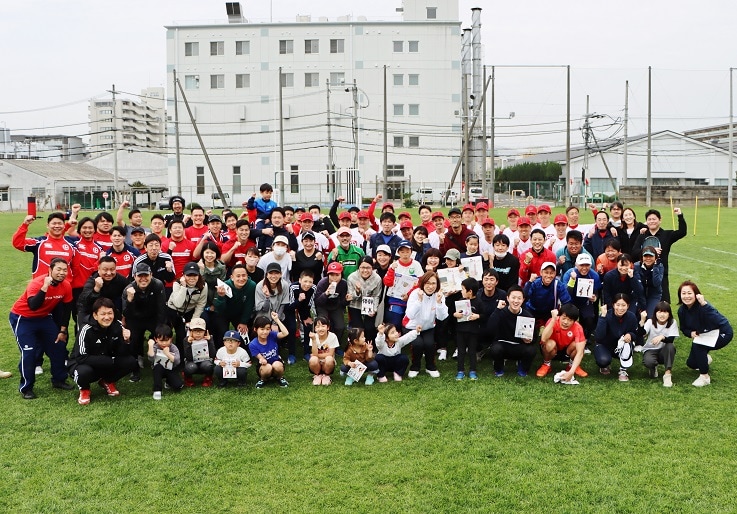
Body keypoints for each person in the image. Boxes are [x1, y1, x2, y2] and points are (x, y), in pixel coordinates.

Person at [9, 258, 74, 399]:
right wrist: (44, 287)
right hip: (23, 318)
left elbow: (67, 309)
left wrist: (63, 330)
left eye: (65, 270)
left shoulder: (66, 285)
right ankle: (26, 388)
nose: (62, 273)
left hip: (44, 318)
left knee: (58, 346)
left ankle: (59, 379)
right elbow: (33, 305)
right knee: (29, 352)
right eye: (58, 269)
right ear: (50, 270)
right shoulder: (37, 283)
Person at [69, 298, 139, 405]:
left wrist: (127, 341)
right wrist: (109, 360)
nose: (107, 317)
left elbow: (123, 352)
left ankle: (107, 381)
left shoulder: (118, 325)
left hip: (107, 361)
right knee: (84, 372)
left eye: (110, 313)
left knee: (131, 362)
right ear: (95, 315)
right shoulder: (86, 329)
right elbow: (81, 357)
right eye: (103, 314)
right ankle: (84, 389)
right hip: (84, 364)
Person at [677, 281, 733, 387]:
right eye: (683, 293)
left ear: (696, 294)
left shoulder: (704, 306)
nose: (686, 296)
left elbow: (720, 321)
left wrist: (704, 305)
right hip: (703, 335)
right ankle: (705, 359)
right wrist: (690, 333)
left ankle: (704, 376)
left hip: (722, 332)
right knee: (692, 364)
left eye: (689, 293)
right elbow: (684, 328)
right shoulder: (682, 311)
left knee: (699, 346)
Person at [122, 262, 168, 382]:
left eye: (146, 275)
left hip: (152, 317)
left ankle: (159, 362)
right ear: (134, 276)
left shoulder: (157, 285)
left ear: (151, 275)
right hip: (135, 319)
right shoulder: (128, 289)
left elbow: (161, 309)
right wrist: (130, 300)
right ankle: (135, 369)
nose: (143, 279)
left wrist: (160, 328)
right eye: (140, 276)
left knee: (161, 335)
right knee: (133, 340)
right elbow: (126, 313)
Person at [633, 207, 686, 303]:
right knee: (645, 301)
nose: (651, 221)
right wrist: (649, 251)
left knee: (663, 303)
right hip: (644, 273)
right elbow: (634, 252)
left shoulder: (666, 235)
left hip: (661, 273)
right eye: (649, 219)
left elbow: (682, 232)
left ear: (660, 220)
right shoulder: (642, 235)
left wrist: (680, 215)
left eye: (654, 219)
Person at [404, 271, 449, 378]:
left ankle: (430, 367)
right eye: (428, 283)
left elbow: (442, 317)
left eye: (433, 283)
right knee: (418, 344)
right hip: (412, 326)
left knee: (429, 344)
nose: (430, 286)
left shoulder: (439, 295)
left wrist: (439, 303)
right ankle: (415, 367)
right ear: (423, 283)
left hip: (428, 327)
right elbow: (409, 314)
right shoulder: (415, 293)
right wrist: (419, 301)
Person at [487, 285, 537, 377]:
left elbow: (534, 337)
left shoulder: (527, 316)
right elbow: (490, 328)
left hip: (519, 346)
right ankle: (499, 368)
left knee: (531, 350)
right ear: (507, 298)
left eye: (519, 298)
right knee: (495, 349)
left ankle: (523, 367)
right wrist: (497, 310)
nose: (516, 301)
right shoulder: (501, 312)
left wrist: (530, 340)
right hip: (503, 345)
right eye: (513, 298)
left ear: (523, 300)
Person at [536, 304, 588, 382]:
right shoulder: (552, 321)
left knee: (577, 346)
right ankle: (546, 364)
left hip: (567, 350)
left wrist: (571, 372)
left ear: (574, 321)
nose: (565, 322)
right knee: (550, 343)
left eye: (570, 320)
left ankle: (571, 365)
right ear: (559, 316)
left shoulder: (578, 327)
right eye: (564, 318)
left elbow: (580, 352)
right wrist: (553, 320)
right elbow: (543, 339)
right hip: (553, 349)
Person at [594, 294, 639, 382]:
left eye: (623, 305)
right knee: (603, 360)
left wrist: (630, 335)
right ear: (613, 305)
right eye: (618, 305)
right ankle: (605, 365)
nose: (620, 308)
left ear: (628, 306)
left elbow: (636, 333)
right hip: (606, 345)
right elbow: (599, 337)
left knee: (628, 346)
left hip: (622, 345)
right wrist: (603, 317)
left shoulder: (631, 317)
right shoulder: (606, 315)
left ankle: (623, 370)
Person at [166, 262, 208, 354]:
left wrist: (193, 321)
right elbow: (178, 304)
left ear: (199, 275)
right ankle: (178, 356)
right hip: (174, 310)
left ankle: (192, 354)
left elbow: (201, 304)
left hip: (190, 311)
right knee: (179, 334)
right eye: (189, 275)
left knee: (189, 332)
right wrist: (184, 287)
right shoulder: (177, 284)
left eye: (195, 275)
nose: (192, 278)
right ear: (184, 275)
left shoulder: (203, 286)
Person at [212, 263, 256, 348]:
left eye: (244, 276)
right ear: (232, 277)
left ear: (247, 276)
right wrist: (221, 297)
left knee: (243, 332)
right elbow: (219, 309)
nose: (241, 278)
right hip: (224, 313)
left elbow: (249, 305)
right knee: (222, 331)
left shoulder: (251, 285)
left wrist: (243, 322)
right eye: (238, 276)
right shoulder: (224, 285)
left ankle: (244, 352)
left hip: (239, 313)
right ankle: (220, 352)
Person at [638, 302, 679, 387]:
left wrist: (662, 337)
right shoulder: (650, 321)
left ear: (669, 314)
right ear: (655, 313)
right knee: (649, 362)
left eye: (665, 312)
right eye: (659, 312)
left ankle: (667, 375)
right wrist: (642, 321)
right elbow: (641, 333)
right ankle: (653, 368)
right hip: (650, 349)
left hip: (664, 351)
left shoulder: (672, 322)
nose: (662, 315)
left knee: (670, 346)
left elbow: (671, 340)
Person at [346, 256, 383, 344]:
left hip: (369, 304)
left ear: (372, 268)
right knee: (358, 328)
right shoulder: (352, 277)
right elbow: (351, 296)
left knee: (369, 327)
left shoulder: (377, 279)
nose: (365, 270)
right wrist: (358, 291)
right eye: (362, 267)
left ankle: (370, 346)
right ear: (358, 268)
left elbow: (376, 295)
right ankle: (358, 345)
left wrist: (374, 309)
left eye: (368, 268)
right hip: (355, 304)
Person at [248, 313, 290, 389]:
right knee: (267, 367)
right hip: (264, 366)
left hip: (276, 362)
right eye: (262, 329)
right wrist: (262, 360)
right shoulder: (253, 344)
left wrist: (277, 320)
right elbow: (260, 357)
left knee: (277, 365)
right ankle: (263, 379)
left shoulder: (272, 335)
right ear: (255, 329)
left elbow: (285, 333)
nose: (265, 332)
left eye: (267, 329)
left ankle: (280, 377)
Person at [453, 277, 483, 380]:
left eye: (463, 289)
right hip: (460, 331)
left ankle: (472, 370)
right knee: (461, 351)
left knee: (472, 351)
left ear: (470, 291)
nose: (461, 291)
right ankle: (460, 370)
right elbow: (455, 313)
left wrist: (478, 316)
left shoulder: (479, 302)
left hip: (473, 332)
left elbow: (485, 315)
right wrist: (455, 314)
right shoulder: (460, 301)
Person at [287, 270, 318, 361]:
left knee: (308, 324)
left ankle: (307, 352)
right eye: (305, 281)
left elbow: (308, 304)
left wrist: (304, 317)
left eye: (310, 282)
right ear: (300, 280)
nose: (307, 284)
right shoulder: (293, 287)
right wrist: (299, 300)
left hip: (304, 308)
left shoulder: (313, 288)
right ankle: (291, 354)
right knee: (292, 327)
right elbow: (290, 307)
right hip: (291, 308)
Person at [147, 324, 184, 400]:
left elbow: (177, 361)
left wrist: (167, 353)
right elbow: (151, 358)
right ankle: (157, 390)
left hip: (170, 369)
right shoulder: (156, 346)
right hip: (158, 369)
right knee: (157, 367)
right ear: (156, 339)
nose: (164, 343)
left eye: (166, 340)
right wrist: (150, 346)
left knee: (178, 386)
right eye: (161, 340)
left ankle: (168, 382)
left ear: (171, 339)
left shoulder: (173, 347)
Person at [182, 317, 215, 387]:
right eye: (195, 330)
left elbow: (213, 355)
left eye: (201, 331)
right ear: (190, 331)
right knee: (190, 367)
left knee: (208, 366)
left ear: (205, 331)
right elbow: (187, 357)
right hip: (192, 362)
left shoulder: (208, 339)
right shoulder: (186, 340)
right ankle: (188, 378)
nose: (198, 333)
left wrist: (210, 341)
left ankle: (208, 378)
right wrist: (188, 344)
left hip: (205, 361)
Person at [307, 316, 339, 386]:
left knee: (329, 359)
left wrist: (316, 355)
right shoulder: (313, 337)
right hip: (317, 363)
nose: (320, 329)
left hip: (327, 363)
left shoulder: (333, 336)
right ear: (315, 329)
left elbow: (330, 353)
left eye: (323, 326)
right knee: (313, 360)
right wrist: (314, 340)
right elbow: (314, 354)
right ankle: (317, 375)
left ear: (328, 327)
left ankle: (326, 375)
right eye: (318, 327)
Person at [635, 246, 664, 318]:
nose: (648, 258)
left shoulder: (659, 266)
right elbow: (636, 285)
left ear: (655, 257)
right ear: (642, 257)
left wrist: (655, 267)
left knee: (650, 317)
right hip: (639, 295)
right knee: (635, 315)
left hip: (654, 295)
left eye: (651, 256)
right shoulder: (636, 266)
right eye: (645, 256)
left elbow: (656, 283)